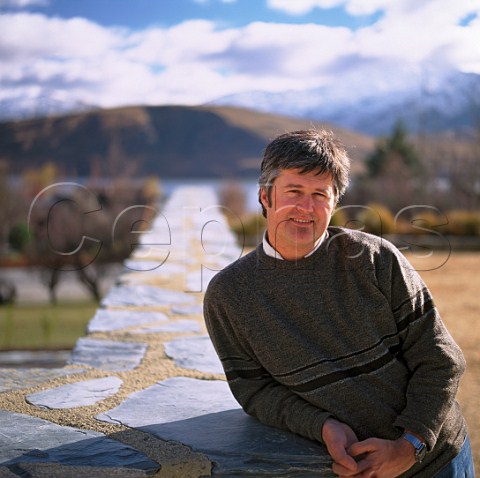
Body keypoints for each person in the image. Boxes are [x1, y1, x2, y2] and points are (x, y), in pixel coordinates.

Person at [204, 129, 475, 477]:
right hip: (339, 470)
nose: (306, 207)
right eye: (294, 191)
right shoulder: (229, 294)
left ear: (334, 203)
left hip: (436, 460)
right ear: (265, 197)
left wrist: (410, 444)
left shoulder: (376, 259)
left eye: (320, 194)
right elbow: (253, 389)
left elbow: (441, 358)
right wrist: (321, 426)